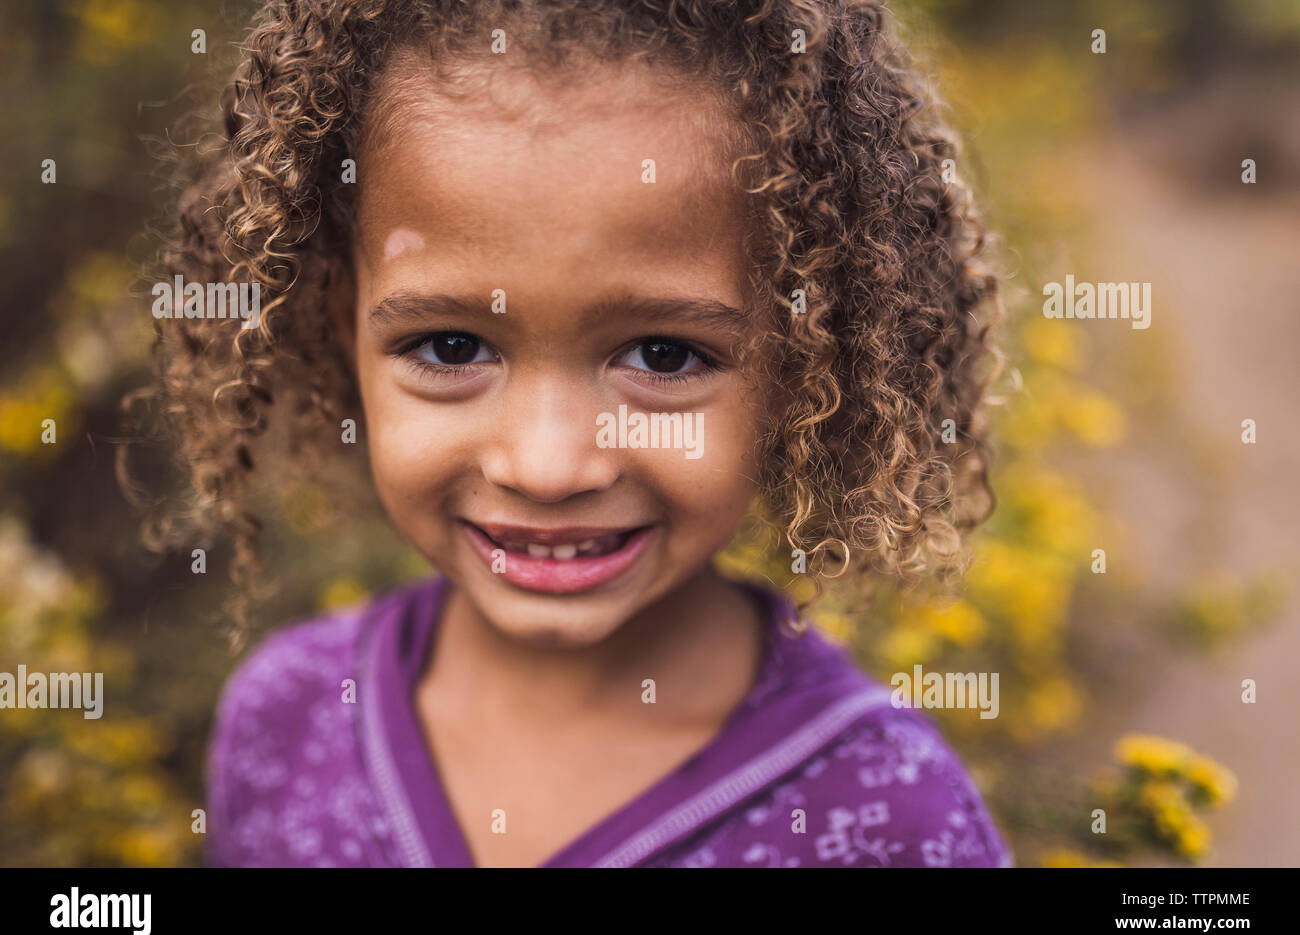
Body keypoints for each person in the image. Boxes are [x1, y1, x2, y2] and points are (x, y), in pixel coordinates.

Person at [142, 0, 1010, 867]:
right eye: (451, 346)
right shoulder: (287, 718)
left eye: (665, 355)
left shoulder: (893, 820)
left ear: (807, 364)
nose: (548, 466)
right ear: (346, 332)